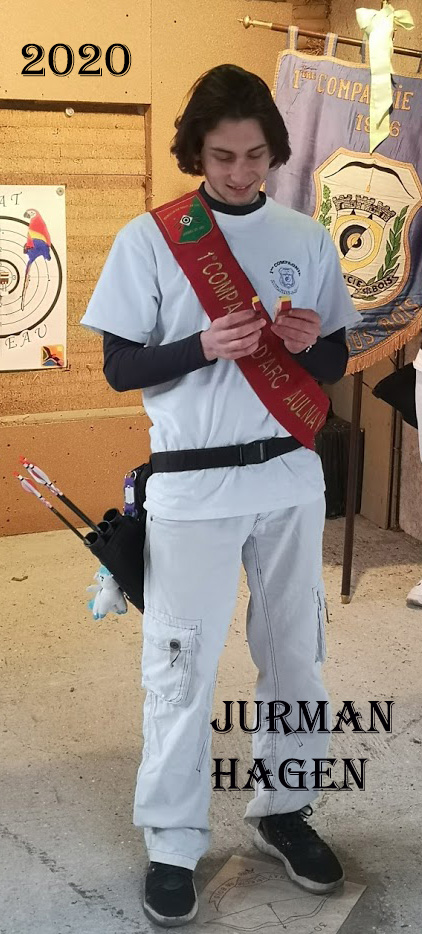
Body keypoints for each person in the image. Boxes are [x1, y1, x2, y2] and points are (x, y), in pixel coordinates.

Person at [81, 64, 361, 927]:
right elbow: (120, 366)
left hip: (289, 478)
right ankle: (172, 842)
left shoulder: (306, 237)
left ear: (275, 149)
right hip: (193, 485)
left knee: (297, 655)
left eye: (255, 155)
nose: (241, 172)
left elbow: (332, 358)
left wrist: (307, 344)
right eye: (222, 157)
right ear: (196, 154)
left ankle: (285, 810)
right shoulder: (151, 239)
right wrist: (203, 345)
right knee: (180, 666)